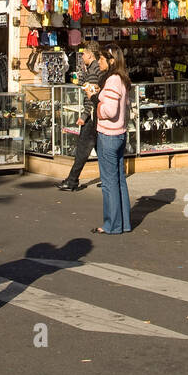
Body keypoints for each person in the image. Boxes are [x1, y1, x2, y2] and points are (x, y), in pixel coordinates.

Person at [92, 45, 132, 235]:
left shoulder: (114, 80)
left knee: (109, 182)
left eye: (101, 58)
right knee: (119, 180)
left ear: (111, 61)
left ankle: (112, 224)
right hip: (119, 134)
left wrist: (97, 106)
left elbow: (110, 110)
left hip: (109, 135)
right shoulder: (121, 79)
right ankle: (123, 222)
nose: (98, 61)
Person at [57, 41, 102, 192]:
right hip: (95, 115)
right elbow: (82, 84)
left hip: (92, 116)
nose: (81, 56)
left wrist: (84, 116)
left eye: (83, 54)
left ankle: (72, 181)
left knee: (82, 149)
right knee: (99, 149)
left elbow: (91, 96)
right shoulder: (92, 69)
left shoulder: (95, 70)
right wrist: (82, 71)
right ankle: (107, 177)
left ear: (90, 54)